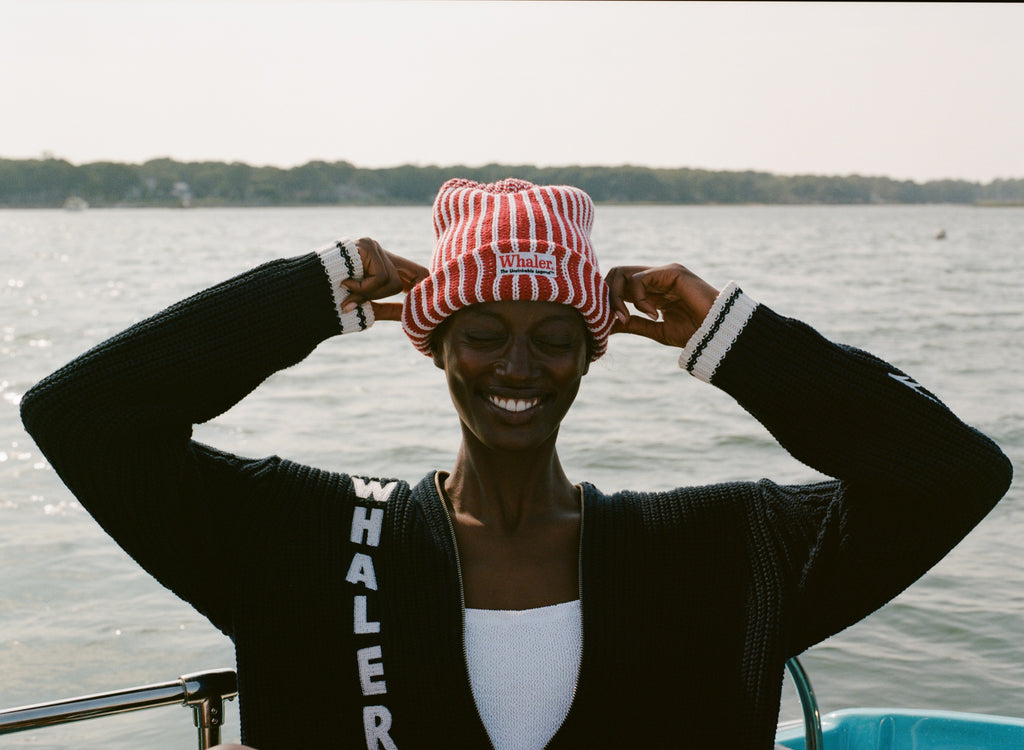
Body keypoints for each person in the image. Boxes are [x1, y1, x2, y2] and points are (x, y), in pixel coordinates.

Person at [21, 178, 1011, 750]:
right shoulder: (300, 539)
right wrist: (315, 292)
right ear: (435, 344)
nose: (519, 365)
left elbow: (950, 474)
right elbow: (82, 415)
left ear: (592, 352)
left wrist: (732, 336)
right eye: (483, 330)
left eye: (554, 335)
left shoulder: (720, 550)